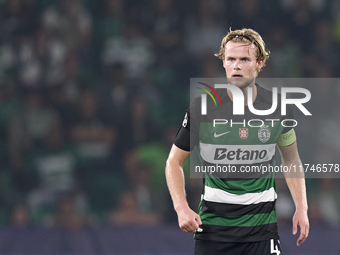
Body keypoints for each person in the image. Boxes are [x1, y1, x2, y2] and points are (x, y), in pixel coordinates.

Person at [165, 28, 309, 255]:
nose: (237, 66)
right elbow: (174, 161)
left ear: (260, 63)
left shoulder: (279, 108)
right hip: (213, 233)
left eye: (244, 59)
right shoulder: (202, 108)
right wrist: (181, 207)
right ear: (223, 62)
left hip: (262, 234)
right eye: (231, 59)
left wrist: (301, 207)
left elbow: (291, 159)